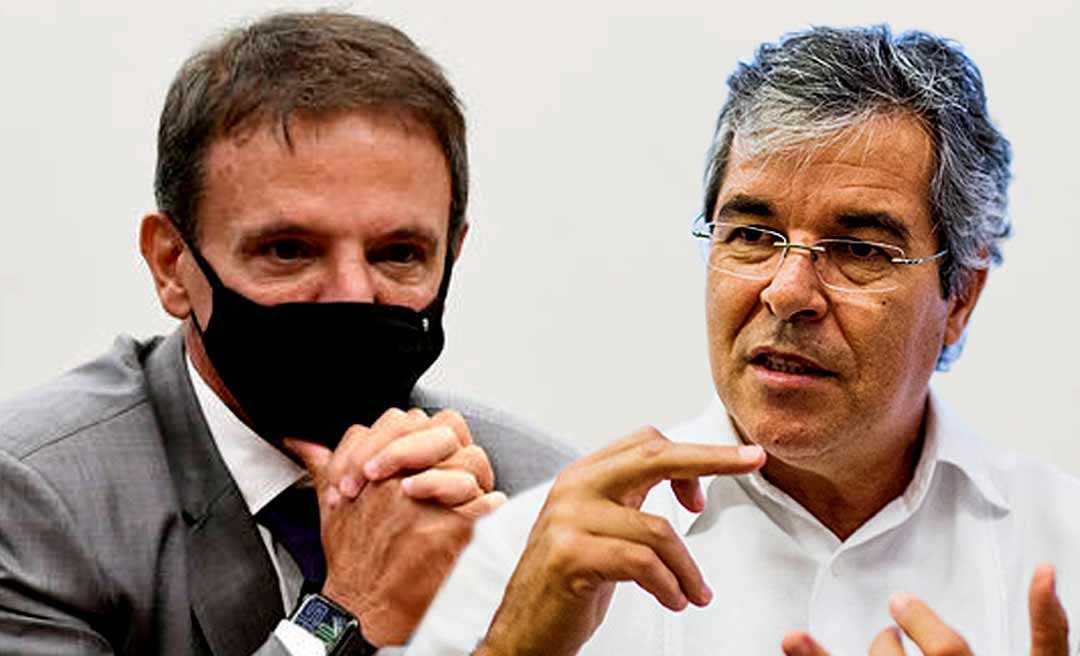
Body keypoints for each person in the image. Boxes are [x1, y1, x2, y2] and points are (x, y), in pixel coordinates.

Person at [407, 24, 1080, 655]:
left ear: (960, 297)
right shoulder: (527, 558)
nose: (787, 292)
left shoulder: (1063, 549)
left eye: (858, 249)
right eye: (753, 236)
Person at [0, 11, 573, 656]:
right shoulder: (32, 500)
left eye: (399, 254)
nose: (352, 294)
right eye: (288, 249)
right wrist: (349, 610)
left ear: (452, 255)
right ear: (171, 265)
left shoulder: (533, 500)